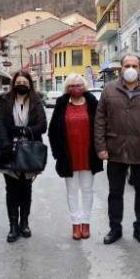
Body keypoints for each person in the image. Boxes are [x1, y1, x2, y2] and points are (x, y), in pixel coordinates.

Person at [94, 54, 140, 245]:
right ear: (120, 68)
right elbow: (100, 119)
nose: (130, 68)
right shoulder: (109, 89)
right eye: (127, 65)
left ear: (139, 68)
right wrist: (101, 147)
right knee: (115, 193)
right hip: (115, 149)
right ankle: (115, 229)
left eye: (134, 65)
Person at [0, 70, 48, 243]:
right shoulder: (5, 100)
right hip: (8, 149)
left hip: (30, 151)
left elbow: (43, 125)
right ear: (14, 84)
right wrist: (6, 142)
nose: (21, 84)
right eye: (18, 82)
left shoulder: (36, 101)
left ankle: (24, 223)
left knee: (26, 189)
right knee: (11, 190)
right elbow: (0, 124)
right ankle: (13, 226)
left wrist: (27, 130)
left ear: (30, 84)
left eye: (25, 82)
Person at [49, 73, 103, 240]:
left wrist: (102, 149)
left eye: (79, 85)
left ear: (84, 87)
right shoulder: (62, 103)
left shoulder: (93, 102)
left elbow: (101, 126)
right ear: (67, 88)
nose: (76, 88)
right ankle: (75, 223)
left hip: (88, 154)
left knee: (87, 190)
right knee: (72, 191)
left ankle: (86, 223)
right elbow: (53, 131)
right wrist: (58, 154)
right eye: (72, 85)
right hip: (69, 155)